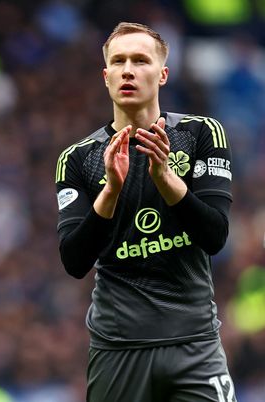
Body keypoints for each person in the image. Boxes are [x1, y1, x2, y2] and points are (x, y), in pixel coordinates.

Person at [55, 22, 236, 402]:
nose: (128, 70)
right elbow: (74, 261)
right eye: (118, 62)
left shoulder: (201, 134)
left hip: (195, 343)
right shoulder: (78, 158)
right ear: (106, 77)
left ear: (163, 74)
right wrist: (111, 190)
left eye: (140, 60)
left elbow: (215, 236)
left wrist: (164, 177)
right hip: (118, 349)